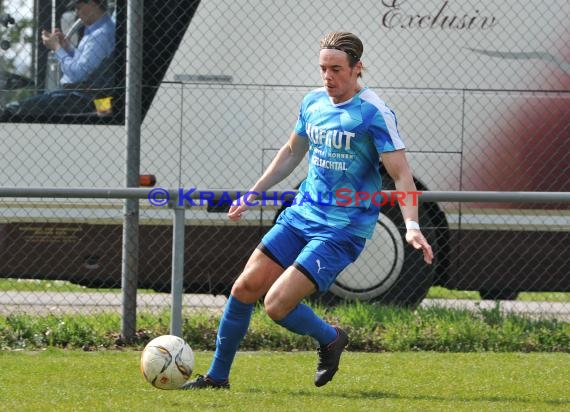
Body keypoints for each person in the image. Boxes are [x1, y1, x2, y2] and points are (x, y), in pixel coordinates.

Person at [182, 32, 434, 390]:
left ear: (357, 68)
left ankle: (330, 338)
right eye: (322, 69)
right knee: (244, 288)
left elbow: (401, 173)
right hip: (302, 214)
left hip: (342, 229)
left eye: (336, 69)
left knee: (276, 305)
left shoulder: (373, 112)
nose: (328, 77)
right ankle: (216, 378)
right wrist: (253, 194)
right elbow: (291, 152)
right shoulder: (313, 103)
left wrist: (411, 224)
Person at [0, 0, 115, 120]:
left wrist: (57, 48)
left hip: (83, 98)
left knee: (13, 109)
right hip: (78, 96)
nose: (76, 12)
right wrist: (65, 48)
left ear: (92, 3)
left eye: (78, 7)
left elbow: (78, 74)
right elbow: (85, 64)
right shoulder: (95, 31)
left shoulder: (101, 34)